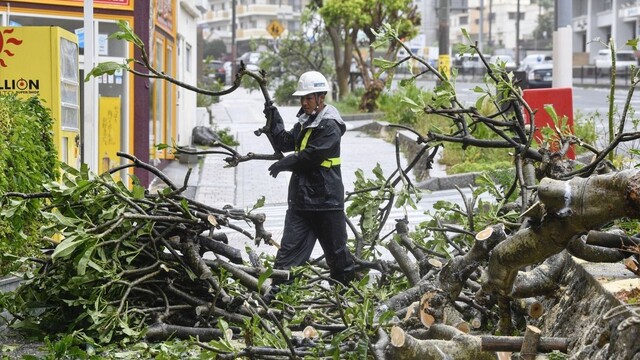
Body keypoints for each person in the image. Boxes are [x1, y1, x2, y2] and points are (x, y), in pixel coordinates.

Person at [263, 71, 356, 301]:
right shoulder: (306, 122)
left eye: (308, 98)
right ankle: (277, 299)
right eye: (302, 98)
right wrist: (272, 116)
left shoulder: (330, 125)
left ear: (321, 97)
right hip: (302, 203)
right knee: (287, 255)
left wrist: (285, 163)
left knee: (338, 256)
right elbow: (284, 141)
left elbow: (313, 155)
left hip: (327, 202)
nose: (304, 103)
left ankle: (347, 301)